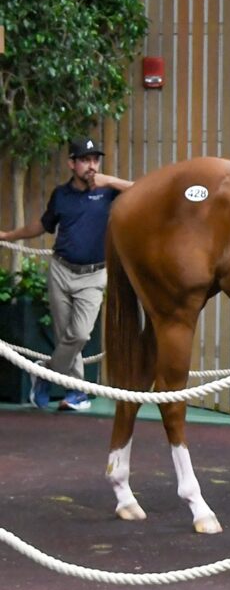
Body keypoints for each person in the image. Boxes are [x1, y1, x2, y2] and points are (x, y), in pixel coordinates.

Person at [0, 137, 132, 411]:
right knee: (65, 338)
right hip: (61, 270)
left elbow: (143, 191)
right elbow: (43, 225)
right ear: (72, 163)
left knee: (80, 334)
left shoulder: (108, 193)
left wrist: (111, 182)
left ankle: (45, 373)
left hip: (93, 276)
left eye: (95, 159)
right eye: (85, 160)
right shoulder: (61, 195)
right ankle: (77, 392)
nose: (92, 165)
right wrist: (9, 235)